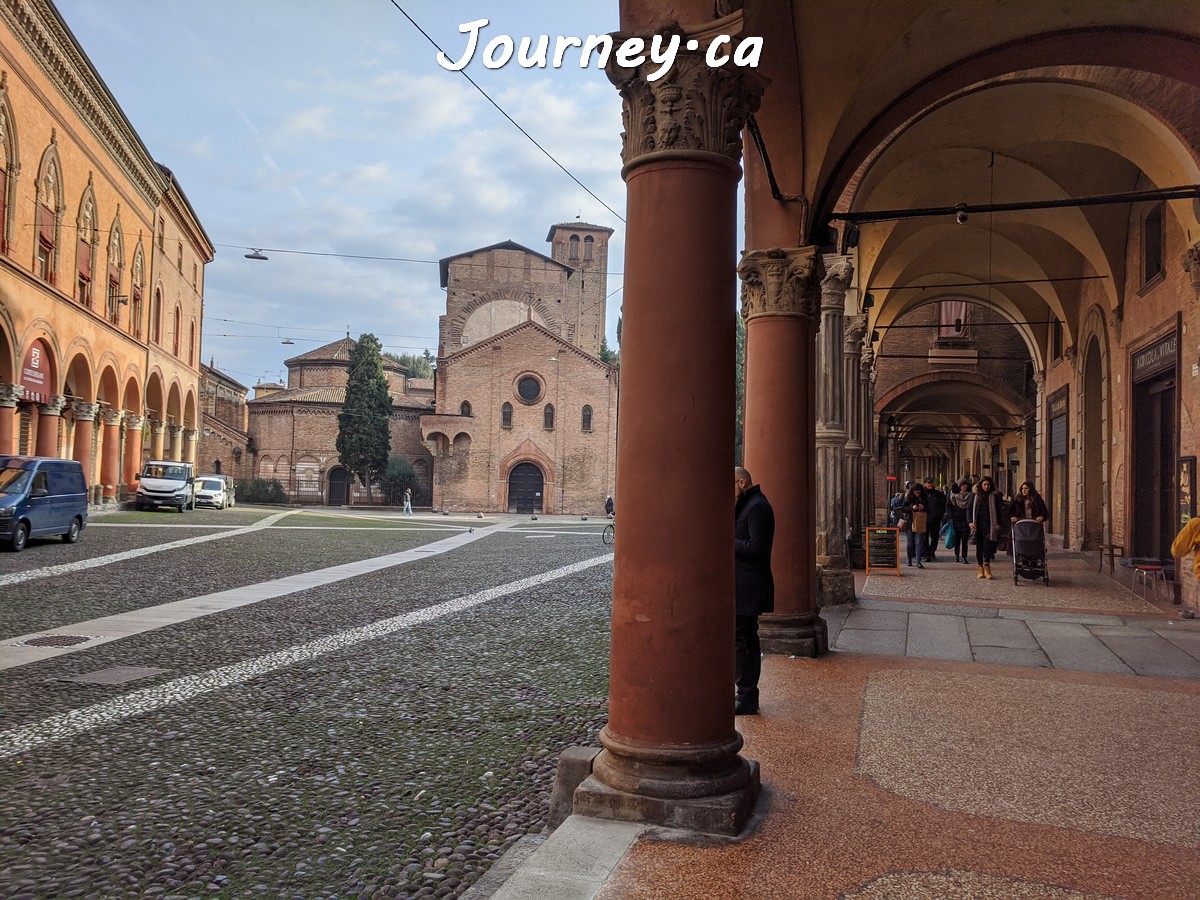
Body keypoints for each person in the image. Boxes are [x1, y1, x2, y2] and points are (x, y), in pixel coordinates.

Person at [734, 466, 774, 716]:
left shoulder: (757, 506)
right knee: (744, 640)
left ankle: (747, 697)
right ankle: (746, 695)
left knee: (744, 642)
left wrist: (727, 538)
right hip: (743, 585)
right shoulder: (747, 504)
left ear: (741, 482)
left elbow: (758, 548)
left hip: (749, 586)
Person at [969, 476, 1003, 579]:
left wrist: (999, 523)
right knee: (979, 546)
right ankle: (980, 567)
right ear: (981, 485)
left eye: (988, 485)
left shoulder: (995, 495)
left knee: (988, 546)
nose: (986, 487)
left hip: (990, 525)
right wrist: (970, 522)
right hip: (978, 524)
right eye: (984, 484)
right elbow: (969, 509)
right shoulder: (975, 495)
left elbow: (999, 510)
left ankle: (987, 566)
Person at [900, 482, 929, 568]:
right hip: (910, 522)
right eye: (916, 492)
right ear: (913, 492)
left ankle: (918, 561)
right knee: (910, 542)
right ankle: (909, 560)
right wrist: (911, 508)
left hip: (919, 522)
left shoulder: (924, 498)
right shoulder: (908, 498)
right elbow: (903, 508)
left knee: (919, 542)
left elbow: (928, 508)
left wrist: (923, 507)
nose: (917, 494)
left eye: (919, 492)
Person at [946, 479, 972, 563]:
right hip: (956, 520)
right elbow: (948, 506)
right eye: (963, 485)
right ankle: (956, 555)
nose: (965, 486)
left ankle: (964, 556)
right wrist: (951, 515)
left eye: (966, 485)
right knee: (956, 539)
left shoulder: (971, 495)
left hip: (966, 520)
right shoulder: (953, 495)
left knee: (965, 540)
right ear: (959, 486)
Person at [922, 477, 945, 562]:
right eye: (928, 483)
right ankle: (926, 554)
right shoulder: (922, 494)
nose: (930, 484)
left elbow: (943, 505)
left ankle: (932, 551)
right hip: (924, 519)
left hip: (935, 519)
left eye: (931, 482)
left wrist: (939, 515)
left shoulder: (938, 494)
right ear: (925, 484)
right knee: (924, 538)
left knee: (935, 537)